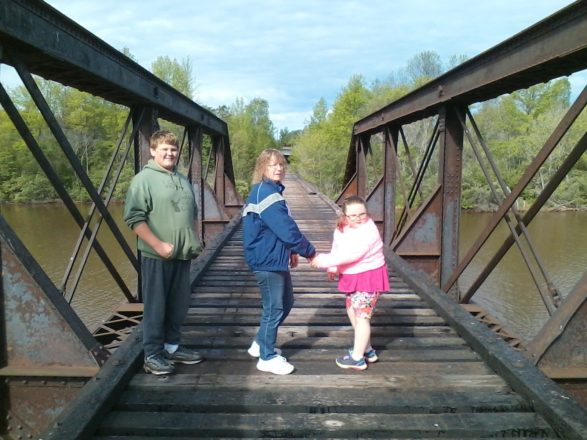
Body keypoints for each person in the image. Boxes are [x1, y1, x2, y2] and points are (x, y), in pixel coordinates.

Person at [123, 129, 203, 375]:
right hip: (157, 256)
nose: (170, 153)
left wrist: (193, 239)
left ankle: (172, 346)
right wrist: (158, 245)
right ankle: (152, 354)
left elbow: (190, 213)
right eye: (165, 149)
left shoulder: (180, 178)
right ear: (153, 151)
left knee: (178, 305)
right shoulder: (143, 180)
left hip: (181, 255)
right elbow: (134, 218)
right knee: (156, 306)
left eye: (174, 149)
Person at [242, 149, 316, 375]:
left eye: (281, 164)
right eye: (273, 164)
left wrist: (291, 250)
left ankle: (259, 343)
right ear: (262, 168)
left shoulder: (269, 191)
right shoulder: (266, 193)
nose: (278, 168)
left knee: (286, 302)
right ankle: (267, 357)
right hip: (266, 259)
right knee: (274, 308)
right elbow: (286, 228)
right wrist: (309, 252)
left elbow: (276, 228)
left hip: (275, 255)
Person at [311, 195, 389, 371]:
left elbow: (352, 254)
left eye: (362, 214)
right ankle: (367, 350)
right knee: (352, 311)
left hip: (368, 276)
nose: (358, 219)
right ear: (344, 215)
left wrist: (324, 261)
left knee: (362, 317)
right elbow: (338, 247)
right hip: (352, 276)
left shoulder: (368, 231)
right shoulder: (342, 227)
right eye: (353, 215)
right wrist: (333, 268)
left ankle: (357, 358)